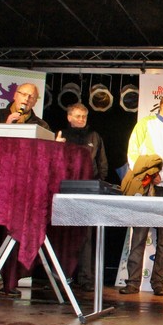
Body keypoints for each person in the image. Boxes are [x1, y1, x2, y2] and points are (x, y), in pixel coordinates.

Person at [0, 83, 52, 297]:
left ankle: (7, 283)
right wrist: (5, 126)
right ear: (15, 95)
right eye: (23, 94)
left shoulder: (40, 125)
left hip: (23, 188)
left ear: (36, 101)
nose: (26, 99)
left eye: (31, 96)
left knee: (15, 235)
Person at [121, 93, 163, 297]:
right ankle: (132, 282)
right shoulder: (144, 124)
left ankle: (159, 283)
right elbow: (133, 152)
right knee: (139, 236)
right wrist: (148, 174)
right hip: (146, 185)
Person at [59, 103, 108, 291]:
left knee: (86, 235)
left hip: (89, 190)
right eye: (77, 116)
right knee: (65, 235)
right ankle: (63, 276)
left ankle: (86, 278)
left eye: (84, 116)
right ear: (69, 117)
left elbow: (102, 163)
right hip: (66, 189)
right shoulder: (61, 135)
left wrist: (99, 183)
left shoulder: (94, 136)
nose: (81, 120)